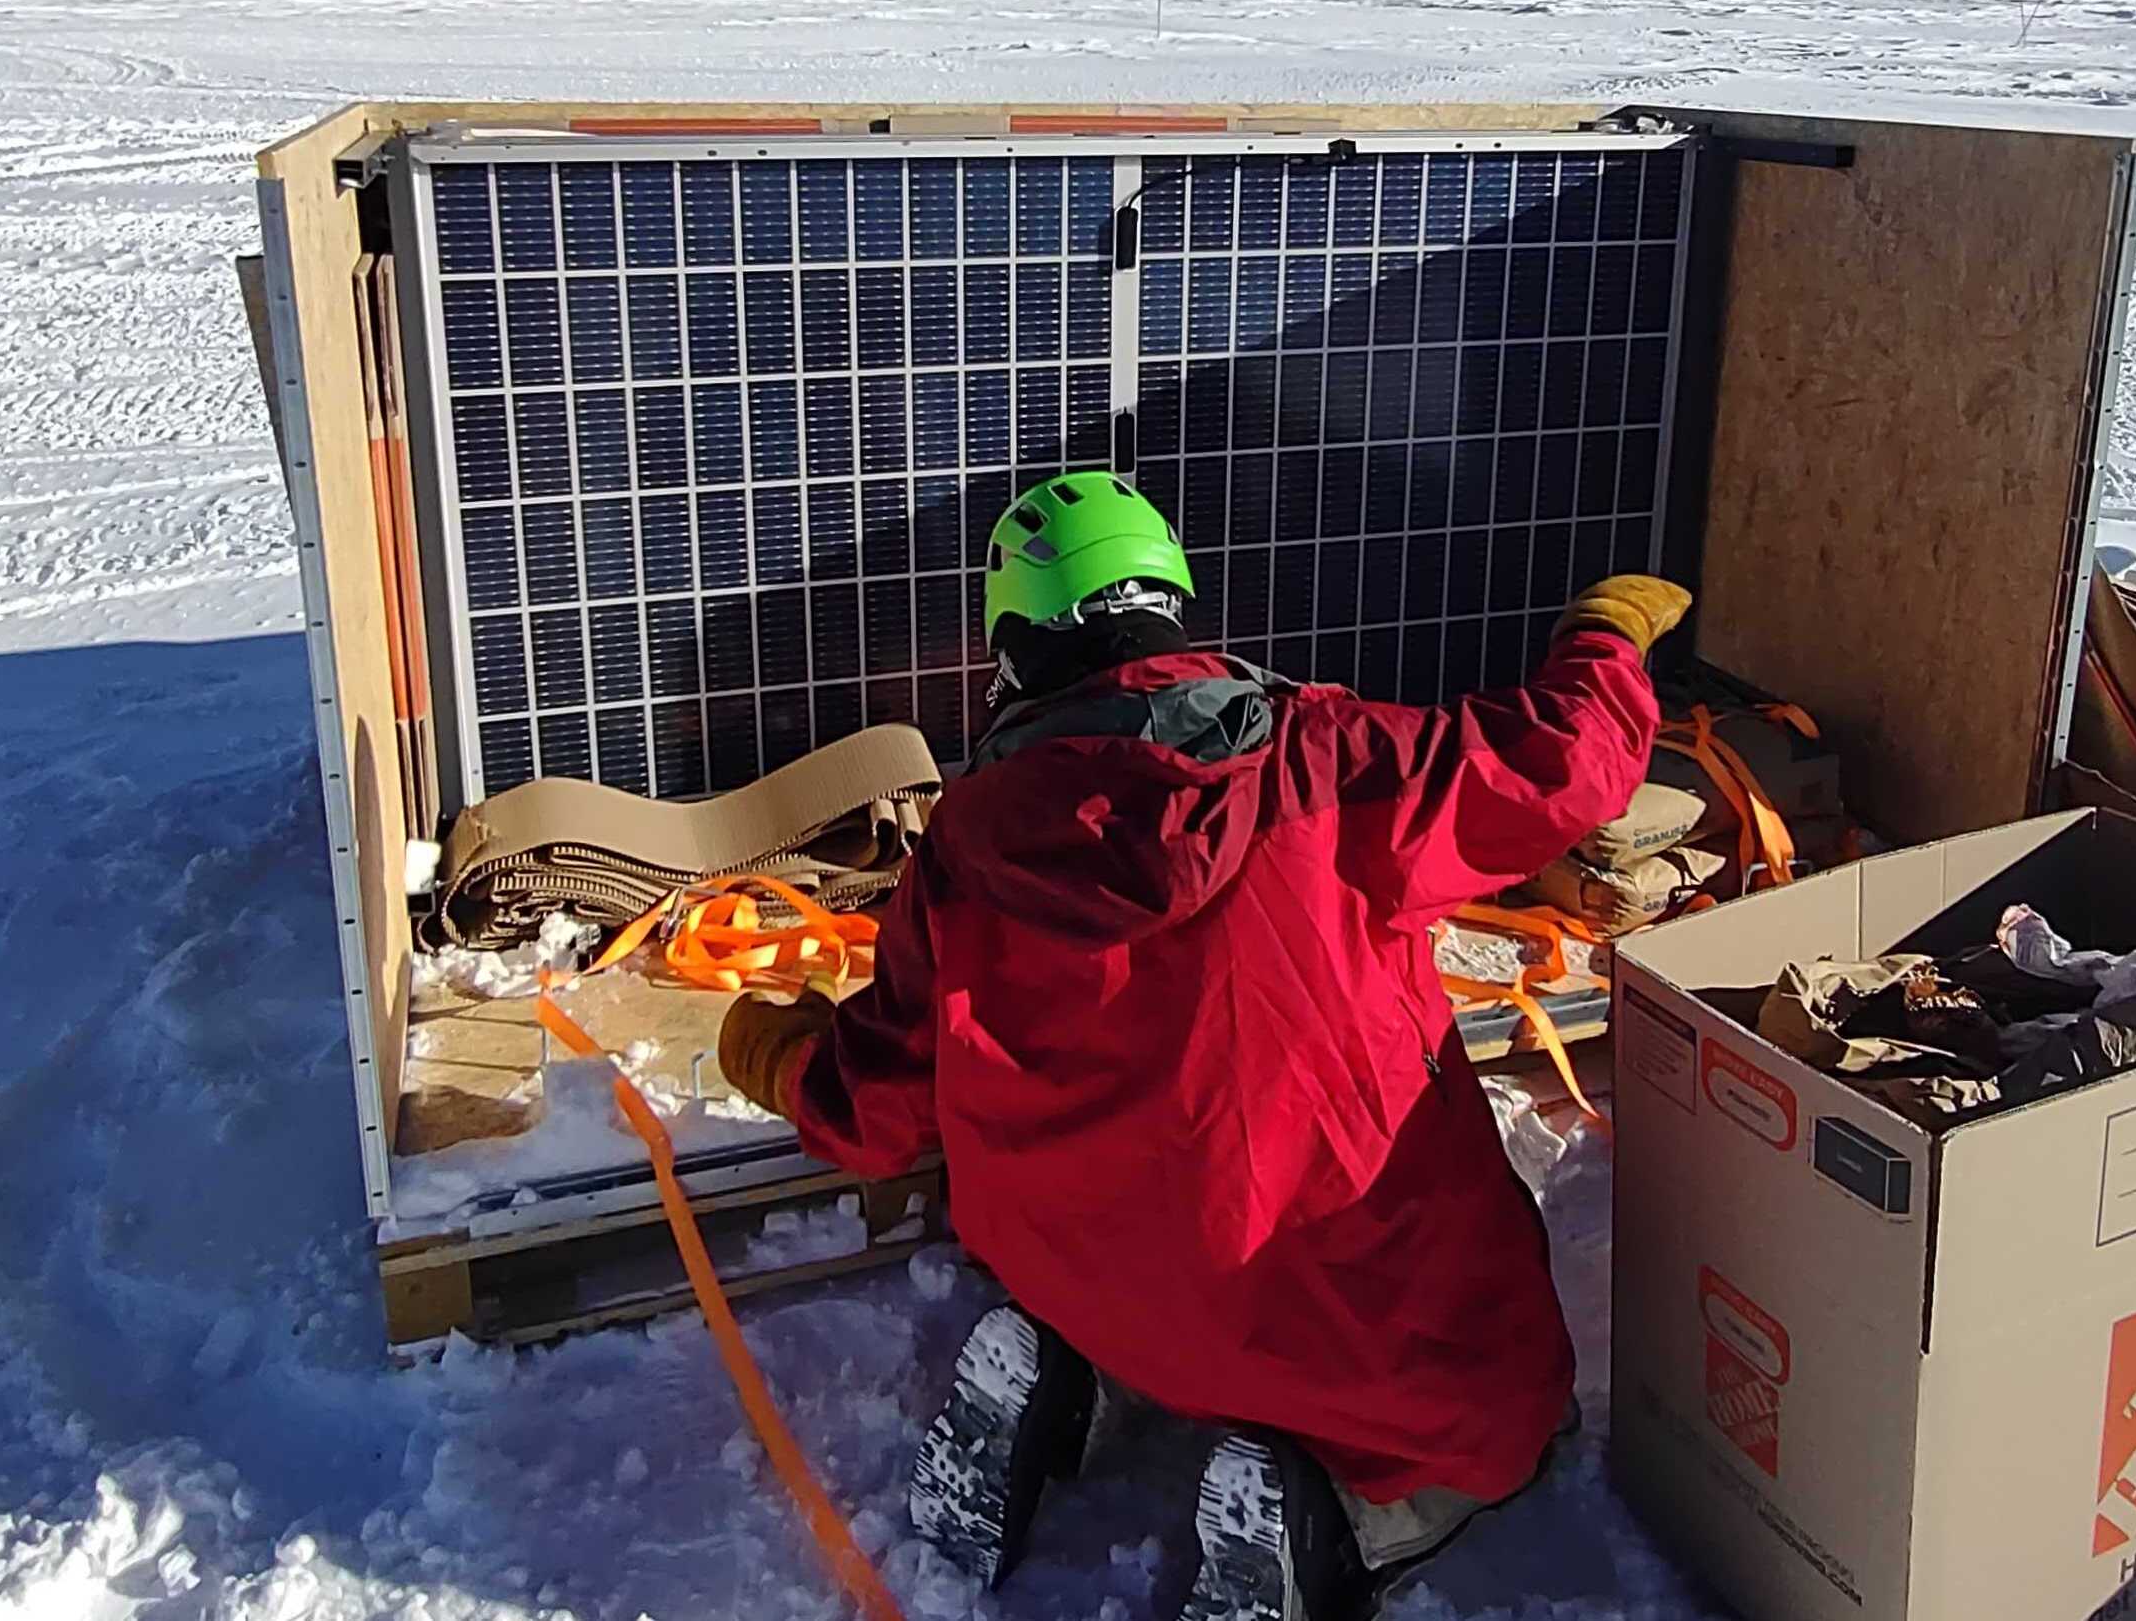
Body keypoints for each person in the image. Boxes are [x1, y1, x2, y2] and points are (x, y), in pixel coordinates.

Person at [714, 470, 1688, 1621]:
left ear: (1013, 651)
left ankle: (1072, 1371)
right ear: (1169, 605)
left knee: (1105, 1241)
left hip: (1085, 1271)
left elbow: (879, 1107)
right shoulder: (1333, 761)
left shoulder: (967, 842)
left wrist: (783, 1059)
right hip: (1319, 1296)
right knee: (1507, 1414)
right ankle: (1337, 1516)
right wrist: (1602, 639)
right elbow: (1559, 765)